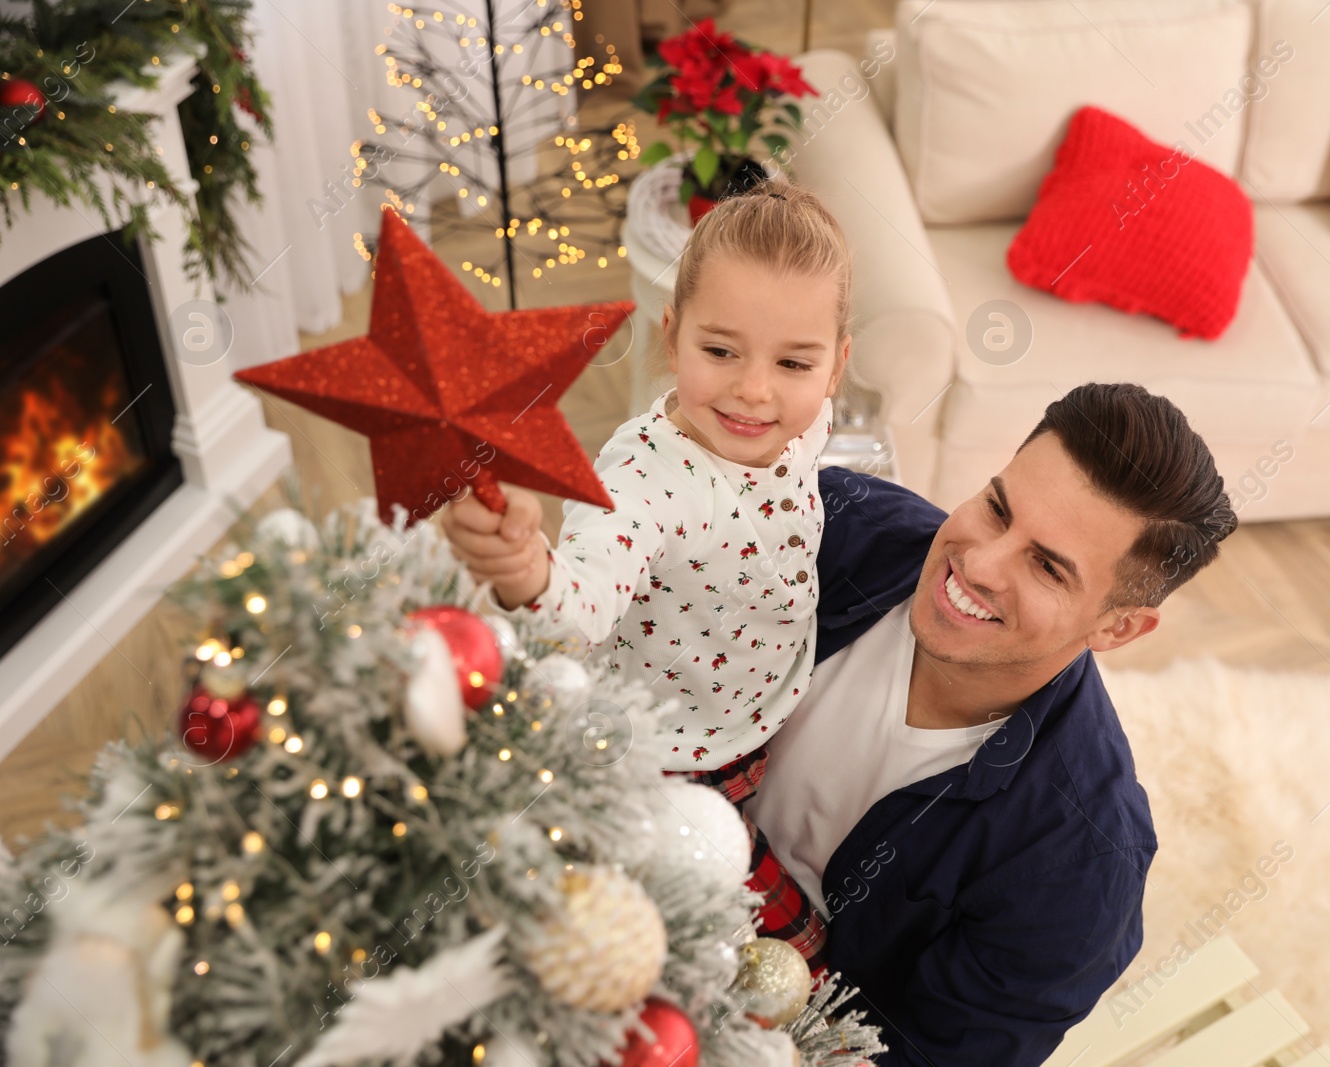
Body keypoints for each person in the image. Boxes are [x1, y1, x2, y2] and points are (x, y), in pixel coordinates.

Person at [742, 382, 1238, 1066]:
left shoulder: (1081, 868)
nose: (976, 562)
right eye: (997, 508)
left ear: (1118, 626)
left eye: (1046, 567)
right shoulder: (834, 524)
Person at [441, 179, 850, 965]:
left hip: (762, 705)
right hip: (674, 750)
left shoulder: (810, 419)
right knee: (779, 947)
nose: (753, 390)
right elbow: (579, 605)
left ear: (835, 367)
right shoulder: (642, 483)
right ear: (673, 338)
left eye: (793, 361)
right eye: (719, 350)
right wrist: (527, 567)